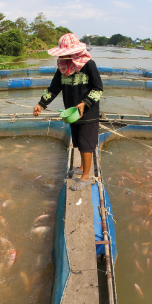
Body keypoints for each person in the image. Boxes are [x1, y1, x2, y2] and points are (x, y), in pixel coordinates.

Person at [33, 33, 103, 191]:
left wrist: (85, 103)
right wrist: (41, 103)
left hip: (88, 114)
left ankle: (86, 177)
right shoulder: (62, 68)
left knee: (87, 144)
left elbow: (98, 88)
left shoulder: (89, 64)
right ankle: (81, 167)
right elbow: (53, 88)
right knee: (78, 141)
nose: (64, 56)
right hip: (72, 113)